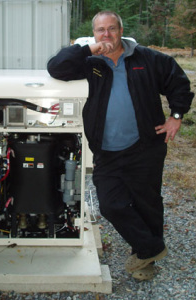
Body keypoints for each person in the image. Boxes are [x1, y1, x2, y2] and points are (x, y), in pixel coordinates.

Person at [47, 11, 194, 280]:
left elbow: (179, 82)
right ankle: (152, 247)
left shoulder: (146, 58)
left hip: (145, 146)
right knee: (112, 204)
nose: (107, 35)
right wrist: (88, 48)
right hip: (106, 150)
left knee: (147, 202)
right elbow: (56, 67)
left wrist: (176, 117)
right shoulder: (91, 61)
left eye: (112, 29)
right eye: (101, 30)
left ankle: (146, 261)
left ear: (121, 30)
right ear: (94, 34)